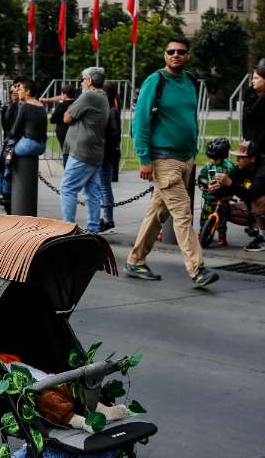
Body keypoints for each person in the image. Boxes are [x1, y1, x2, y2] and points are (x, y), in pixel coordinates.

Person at [125, 37, 219, 287]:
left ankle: (135, 260)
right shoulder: (156, 80)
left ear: (188, 55)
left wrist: (193, 152)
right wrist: (144, 158)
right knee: (182, 212)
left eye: (181, 51)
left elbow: (190, 117)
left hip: (186, 158)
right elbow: (140, 121)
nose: (176, 54)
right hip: (164, 159)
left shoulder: (190, 81)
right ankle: (197, 269)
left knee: (158, 212)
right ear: (165, 55)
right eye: (171, 51)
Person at [210, 140, 265, 252]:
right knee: (225, 211)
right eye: (237, 157)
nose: (237, 160)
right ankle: (263, 225)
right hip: (262, 203)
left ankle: (264, 239)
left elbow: (251, 195)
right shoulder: (242, 167)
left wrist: (230, 183)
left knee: (258, 200)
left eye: (241, 157)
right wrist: (215, 190)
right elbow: (228, 189)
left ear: (252, 158)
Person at [59, 67, 109, 230]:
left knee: (67, 188)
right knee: (92, 192)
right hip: (94, 151)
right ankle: (93, 228)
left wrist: (70, 108)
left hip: (82, 151)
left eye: (83, 80)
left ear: (89, 81)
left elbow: (67, 118)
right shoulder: (102, 96)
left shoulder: (89, 95)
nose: (81, 83)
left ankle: (68, 227)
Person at [0, 78, 47, 207]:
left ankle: (5, 192)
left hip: (28, 144)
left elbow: (15, 129)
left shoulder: (25, 106)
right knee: (9, 154)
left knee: (6, 157)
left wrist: (7, 141)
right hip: (41, 146)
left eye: (20, 89)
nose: (18, 92)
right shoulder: (41, 106)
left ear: (27, 92)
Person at [197, 136, 234, 247]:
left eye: (216, 158)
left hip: (222, 199)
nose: (213, 160)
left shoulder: (229, 167)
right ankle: (202, 232)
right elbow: (201, 178)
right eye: (211, 158)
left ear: (223, 156)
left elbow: (234, 182)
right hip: (209, 198)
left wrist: (229, 192)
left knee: (222, 219)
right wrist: (206, 184)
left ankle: (222, 235)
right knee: (204, 216)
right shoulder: (208, 166)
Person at [241, 65, 265, 158]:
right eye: (253, 78)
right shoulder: (253, 94)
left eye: (256, 78)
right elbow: (246, 120)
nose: (253, 81)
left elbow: (251, 116)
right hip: (252, 142)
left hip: (264, 147)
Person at [99, 81, 121, 232]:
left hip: (106, 154)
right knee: (102, 186)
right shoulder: (110, 109)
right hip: (107, 153)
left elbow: (114, 134)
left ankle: (108, 218)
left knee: (104, 186)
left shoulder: (111, 111)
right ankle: (106, 217)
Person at [45, 85, 78, 164]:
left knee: (66, 152)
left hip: (63, 131)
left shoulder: (62, 105)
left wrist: (59, 104)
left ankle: (67, 168)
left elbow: (52, 120)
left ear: (65, 94)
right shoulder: (77, 103)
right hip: (75, 131)